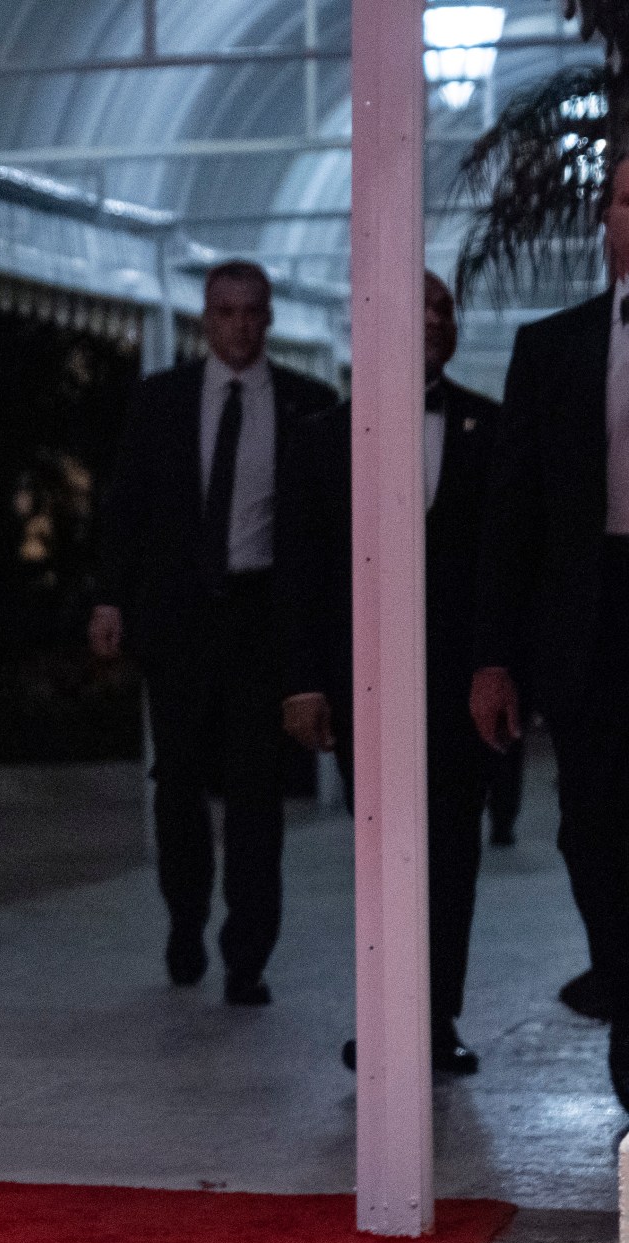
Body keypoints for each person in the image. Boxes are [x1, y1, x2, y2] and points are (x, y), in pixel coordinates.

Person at [93, 261, 339, 1005]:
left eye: (251, 312)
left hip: (262, 615)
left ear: (268, 319)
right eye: (225, 311)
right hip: (180, 618)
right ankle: (186, 919)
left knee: (257, 793)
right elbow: (126, 506)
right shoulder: (161, 402)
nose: (238, 324)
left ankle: (247, 954)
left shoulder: (308, 405)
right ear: (206, 318)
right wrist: (111, 600)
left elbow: (325, 532)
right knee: (177, 785)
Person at [277, 273, 497, 1076]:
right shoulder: (322, 437)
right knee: (379, 853)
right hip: (360, 682)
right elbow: (299, 570)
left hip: (460, 687)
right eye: (420, 305)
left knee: (453, 854)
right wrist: (303, 682)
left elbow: (507, 566)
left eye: (444, 310)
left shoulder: (490, 427)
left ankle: (436, 1022)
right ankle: (383, 1017)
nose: (434, 320)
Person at [473, 158, 629, 1108]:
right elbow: (511, 519)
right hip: (591, 615)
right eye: (626, 199)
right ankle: (620, 972)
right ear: (606, 220)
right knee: (591, 827)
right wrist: (494, 654)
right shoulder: (553, 348)